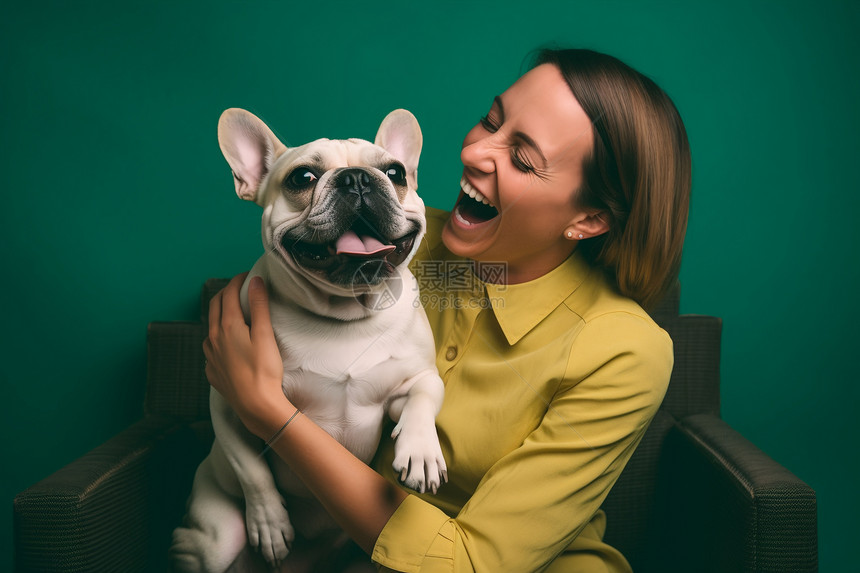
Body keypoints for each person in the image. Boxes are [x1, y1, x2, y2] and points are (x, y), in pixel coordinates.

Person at [203, 47, 691, 572]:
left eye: (524, 159)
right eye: (491, 120)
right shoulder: (396, 239)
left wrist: (270, 413)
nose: (477, 153)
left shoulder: (622, 350)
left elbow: (474, 562)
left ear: (589, 219)